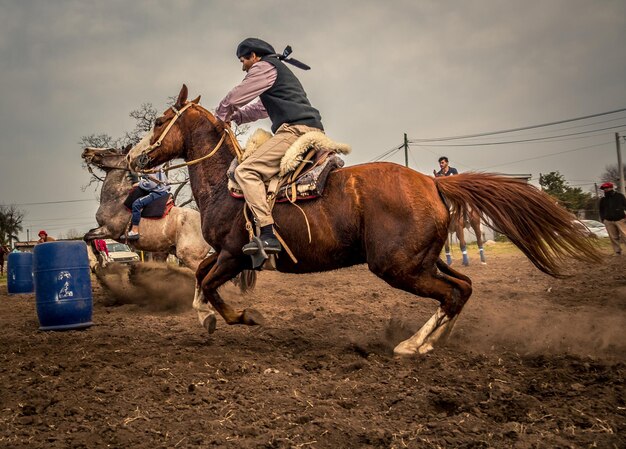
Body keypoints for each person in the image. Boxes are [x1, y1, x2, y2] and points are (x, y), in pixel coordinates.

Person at [215, 37, 324, 255]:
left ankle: (267, 234)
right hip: (308, 129)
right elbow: (259, 110)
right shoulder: (277, 73)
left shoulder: (264, 67)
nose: (242, 66)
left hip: (295, 131)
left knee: (245, 171)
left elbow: (237, 95)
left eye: (243, 60)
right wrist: (236, 116)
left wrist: (220, 115)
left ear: (254, 56)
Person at [126, 165, 170, 240]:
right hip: (163, 190)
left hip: (157, 192)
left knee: (136, 204)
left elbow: (151, 184)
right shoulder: (159, 166)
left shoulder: (151, 167)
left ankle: (135, 230)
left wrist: (140, 183)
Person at [598, 181, 626, 255]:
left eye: (607, 188)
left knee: (625, 235)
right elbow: (601, 210)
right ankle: (617, 251)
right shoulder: (603, 200)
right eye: (604, 188)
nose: (605, 190)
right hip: (609, 221)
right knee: (613, 237)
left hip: (620, 220)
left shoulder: (620, 196)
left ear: (611, 188)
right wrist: (603, 219)